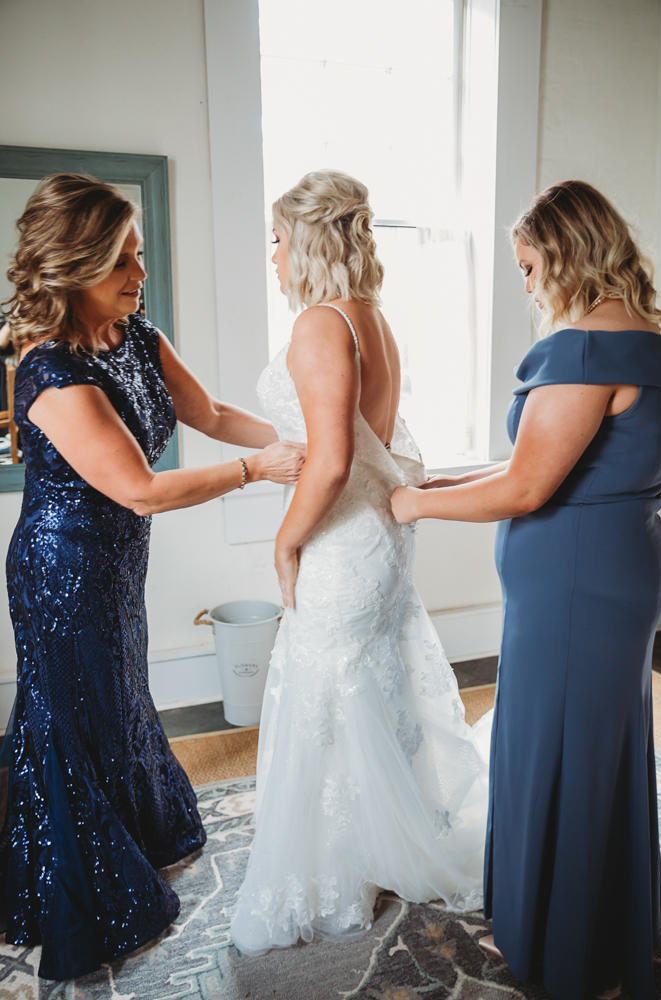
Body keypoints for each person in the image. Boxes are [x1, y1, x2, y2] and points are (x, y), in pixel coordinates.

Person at [2, 172, 306, 981]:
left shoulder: (141, 337)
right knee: (69, 716)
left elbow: (208, 415)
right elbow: (139, 487)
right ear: (70, 270)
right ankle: (75, 893)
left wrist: (303, 438)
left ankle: (134, 838)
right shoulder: (49, 372)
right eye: (119, 263)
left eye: (137, 255)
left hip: (115, 566)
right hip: (61, 571)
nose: (139, 274)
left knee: (121, 700)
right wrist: (256, 471)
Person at [391, 180, 661, 1000]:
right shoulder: (651, 341)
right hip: (622, 561)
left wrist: (413, 501)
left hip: (573, 582)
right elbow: (556, 465)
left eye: (526, 264)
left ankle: (559, 941)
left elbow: (526, 489)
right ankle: (604, 916)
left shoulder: (579, 347)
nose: (525, 282)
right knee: (596, 745)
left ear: (563, 252)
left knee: (555, 749)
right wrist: (446, 477)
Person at [230, 169, 492, 956]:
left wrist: (284, 541)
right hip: (379, 538)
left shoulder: (318, 324)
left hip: (344, 543)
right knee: (367, 691)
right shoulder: (369, 316)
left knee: (326, 693)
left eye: (275, 240)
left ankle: (341, 869)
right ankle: (381, 842)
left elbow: (334, 460)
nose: (271, 257)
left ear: (306, 240)